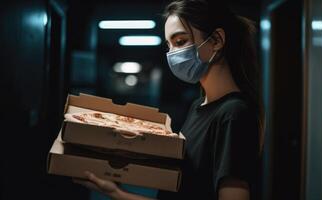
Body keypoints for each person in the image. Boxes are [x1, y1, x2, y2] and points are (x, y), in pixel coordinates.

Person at [74, 0, 264, 199]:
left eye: (180, 42)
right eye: (169, 45)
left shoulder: (233, 113)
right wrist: (116, 192)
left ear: (216, 40)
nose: (172, 53)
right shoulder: (198, 106)